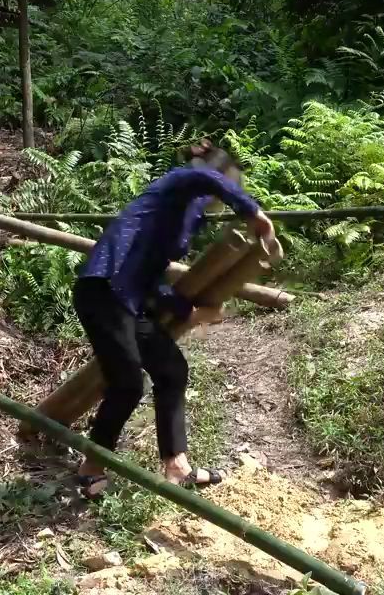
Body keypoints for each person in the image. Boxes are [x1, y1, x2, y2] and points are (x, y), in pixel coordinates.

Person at [73, 140, 275, 499]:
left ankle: (177, 465)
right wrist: (254, 213)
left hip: (132, 300)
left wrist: (191, 313)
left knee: (172, 370)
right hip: (103, 289)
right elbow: (207, 180)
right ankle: (91, 466)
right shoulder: (175, 184)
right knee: (129, 385)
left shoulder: (189, 216)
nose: (229, 188)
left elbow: (154, 280)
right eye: (230, 181)